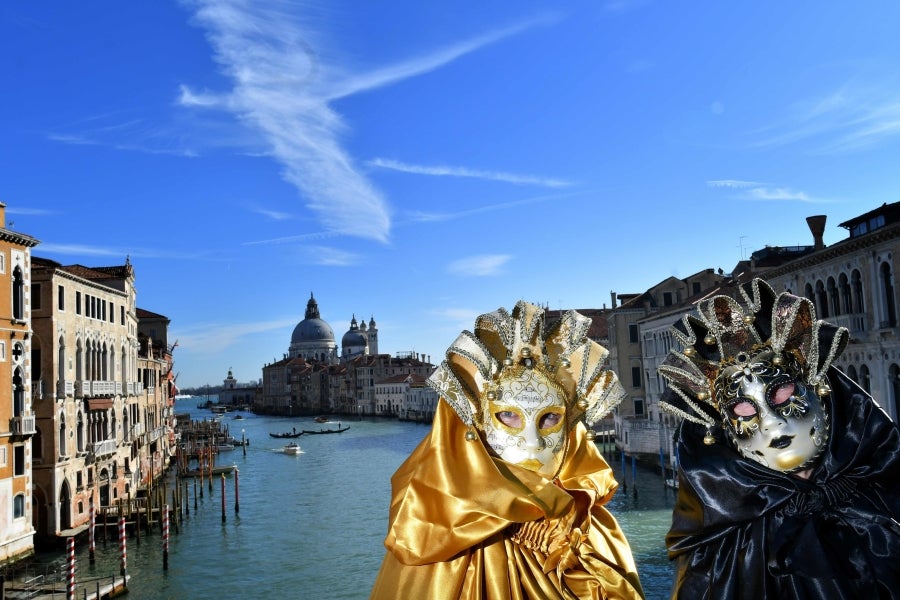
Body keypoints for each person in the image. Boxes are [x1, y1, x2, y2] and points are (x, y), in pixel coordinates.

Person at [370, 300, 644, 599]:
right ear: (476, 426)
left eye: (550, 417)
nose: (533, 441)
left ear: (570, 427)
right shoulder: (437, 542)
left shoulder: (596, 534)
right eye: (508, 415)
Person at [658, 278, 900, 599]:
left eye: (783, 394)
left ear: (817, 389)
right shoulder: (725, 553)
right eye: (744, 409)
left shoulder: (880, 489)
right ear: (726, 428)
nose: (772, 425)